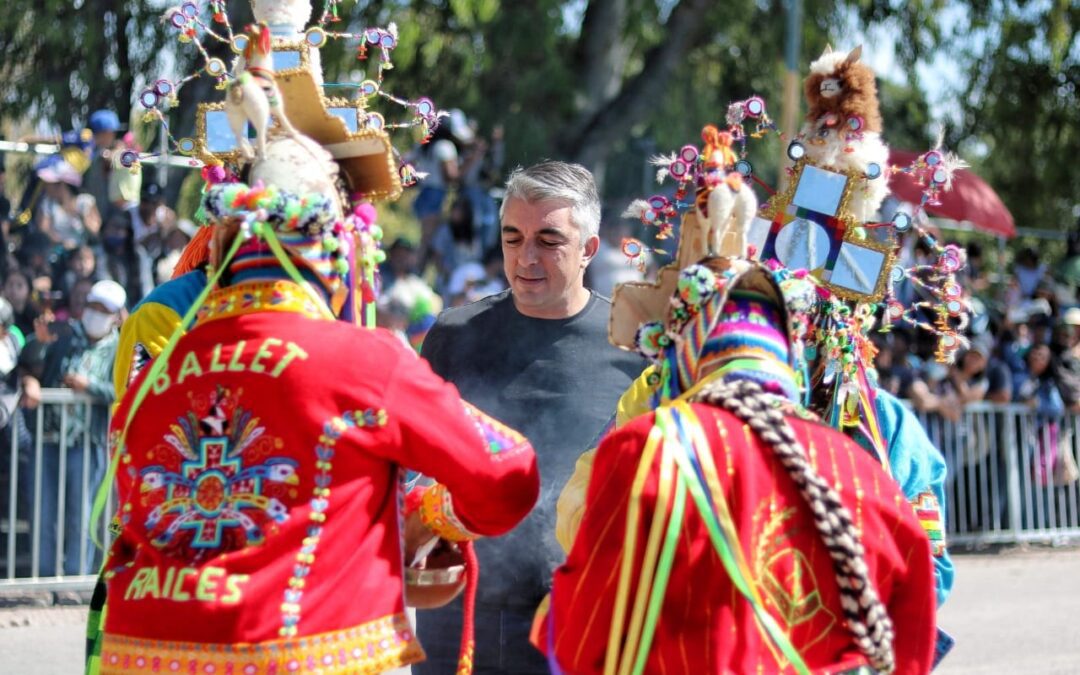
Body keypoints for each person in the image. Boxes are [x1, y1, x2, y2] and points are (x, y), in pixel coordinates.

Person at [97, 135, 541, 673]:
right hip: (296, 654)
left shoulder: (162, 365)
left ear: (221, 250)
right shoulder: (363, 361)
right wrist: (425, 516)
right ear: (337, 257)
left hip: (146, 652)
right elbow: (507, 471)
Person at [536, 259, 936, 673]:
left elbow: (585, 616)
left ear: (690, 354)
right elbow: (911, 635)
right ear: (788, 354)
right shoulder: (863, 474)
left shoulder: (651, 446)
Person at [416, 161, 644, 674]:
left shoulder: (633, 350)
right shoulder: (454, 334)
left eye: (548, 239)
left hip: (570, 611)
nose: (526, 257)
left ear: (588, 249)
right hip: (456, 609)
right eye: (513, 237)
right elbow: (412, 462)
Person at [18, 279, 125, 576]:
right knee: (44, 511)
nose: (95, 314)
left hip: (87, 441)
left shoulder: (122, 346)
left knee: (82, 513)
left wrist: (89, 387)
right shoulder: (64, 333)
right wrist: (39, 344)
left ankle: (75, 580)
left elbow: (124, 390)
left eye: (104, 310)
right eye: (92, 306)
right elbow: (31, 362)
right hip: (49, 436)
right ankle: (44, 580)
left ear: (116, 315)